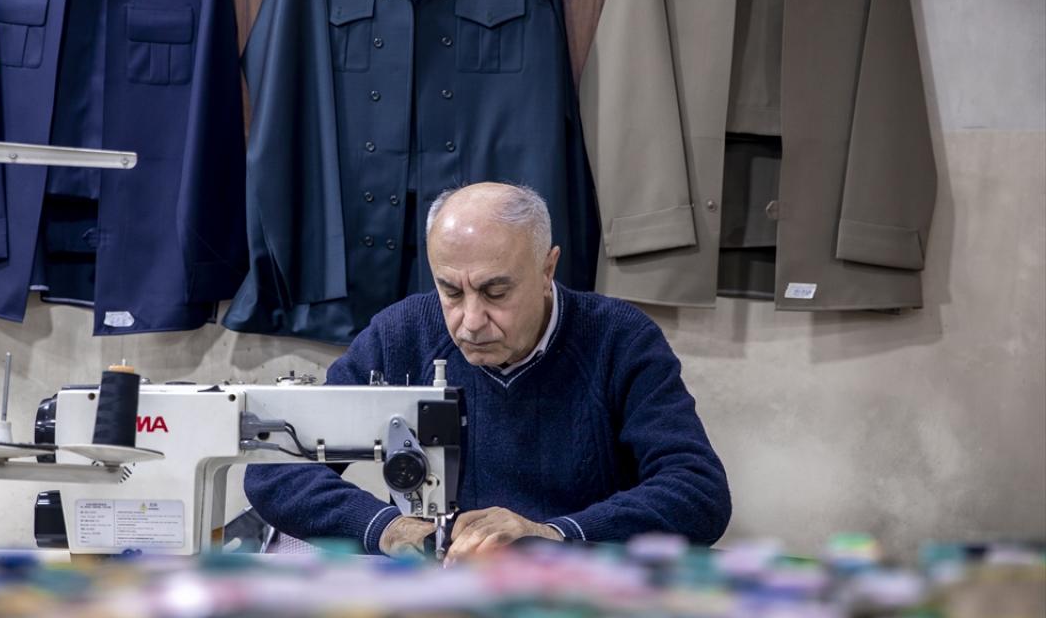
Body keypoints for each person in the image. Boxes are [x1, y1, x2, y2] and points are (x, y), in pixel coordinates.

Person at [244, 183, 730, 561]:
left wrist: (552, 534)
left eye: (496, 293)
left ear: (548, 269)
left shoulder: (619, 339)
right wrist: (387, 528)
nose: (471, 321)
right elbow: (276, 470)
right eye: (451, 292)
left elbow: (697, 491)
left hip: (576, 589)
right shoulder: (401, 334)